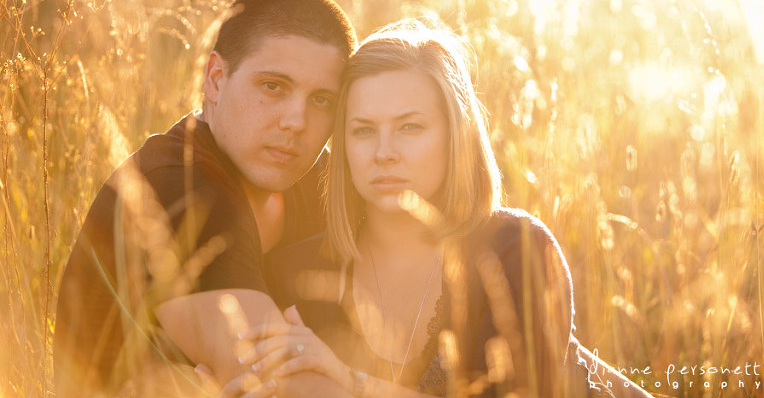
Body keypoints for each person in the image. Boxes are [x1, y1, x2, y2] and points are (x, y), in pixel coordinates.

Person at [239, 20, 650, 397]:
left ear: (457, 136)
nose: (384, 153)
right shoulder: (294, 272)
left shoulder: (514, 249)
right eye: (363, 130)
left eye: (409, 127)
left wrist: (349, 384)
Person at [53, 0, 357, 397]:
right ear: (215, 78)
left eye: (322, 100)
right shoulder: (175, 184)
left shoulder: (317, 182)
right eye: (273, 87)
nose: (296, 121)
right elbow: (289, 388)